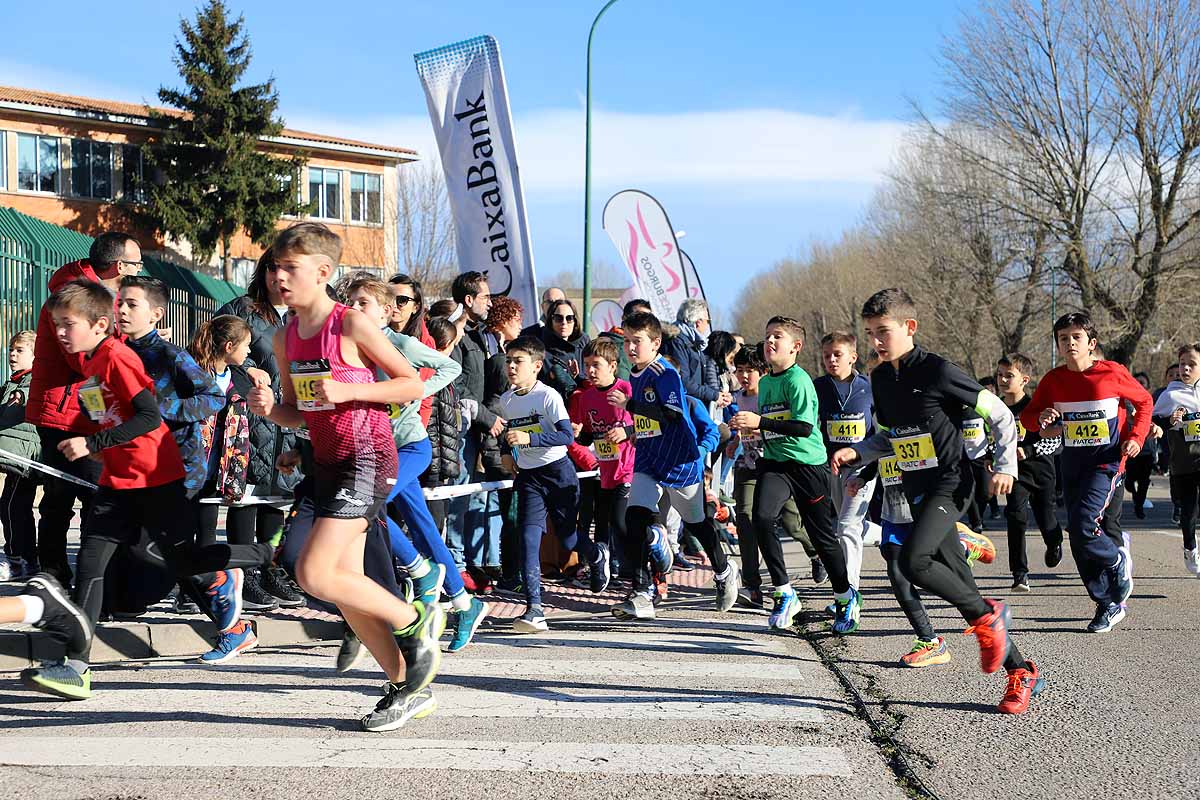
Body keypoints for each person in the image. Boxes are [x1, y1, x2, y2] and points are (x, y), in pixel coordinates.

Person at [21, 280, 274, 701]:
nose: (60, 333)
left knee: (178, 559)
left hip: (162, 476)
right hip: (119, 479)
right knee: (93, 564)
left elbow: (173, 408)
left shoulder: (141, 356)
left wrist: (103, 439)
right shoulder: (92, 363)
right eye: (56, 326)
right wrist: (100, 443)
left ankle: (268, 556)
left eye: (67, 324)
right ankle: (77, 667)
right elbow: (108, 415)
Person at [249, 222, 443, 732]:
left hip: (368, 457)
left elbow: (410, 385)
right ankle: (407, 686)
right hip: (327, 464)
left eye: (290, 268)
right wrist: (272, 410)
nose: (279, 276)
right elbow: (300, 411)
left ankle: (416, 619)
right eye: (275, 267)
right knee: (343, 586)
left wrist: (351, 392)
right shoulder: (284, 336)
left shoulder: (351, 325)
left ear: (323, 272)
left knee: (313, 572)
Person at [831, 288, 1042, 715]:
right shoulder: (880, 379)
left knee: (912, 563)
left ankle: (991, 612)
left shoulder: (939, 371)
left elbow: (999, 414)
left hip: (951, 484)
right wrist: (861, 455)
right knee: (962, 589)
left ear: (909, 328)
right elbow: (891, 437)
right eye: (870, 332)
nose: (875, 341)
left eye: (883, 331)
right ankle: (1021, 670)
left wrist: (1005, 466)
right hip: (917, 489)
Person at [345, 276, 490, 652]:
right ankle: (465, 603)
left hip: (410, 446)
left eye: (364, 304)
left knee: (369, 508)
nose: (355, 310)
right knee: (424, 527)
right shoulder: (352, 349)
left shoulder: (401, 344)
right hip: (379, 450)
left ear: (386, 312)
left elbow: (450, 369)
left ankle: (420, 573)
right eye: (352, 303)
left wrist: (413, 391)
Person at [1020, 311, 1151, 634]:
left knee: (1083, 524)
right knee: (1077, 537)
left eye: (1076, 337)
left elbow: (1145, 402)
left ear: (1091, 343)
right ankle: (1105, 602)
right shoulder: (1053, 380)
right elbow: (1028, 418)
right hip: (1072, 464)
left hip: (1107, 462)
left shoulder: (1112, 373)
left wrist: (1135, 439)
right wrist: (1043, 418)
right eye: (1063, 339)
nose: (1069, 344)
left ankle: (1116, 560)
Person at [26, 232, 142, 587]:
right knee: (71, 493)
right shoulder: (74, 297)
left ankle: (87, 577)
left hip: (90, 407)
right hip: (67, 412)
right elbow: (83, 359)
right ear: (121, 266)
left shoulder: (104, 296)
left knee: (93, 494)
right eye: (138, 262)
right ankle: (58, 573)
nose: (141, 269)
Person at [608, 311, 740, 621]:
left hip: (679, 460)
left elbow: (669, 414)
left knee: (695, 522)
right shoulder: (635, 375)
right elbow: (646, 422)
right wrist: (630, 431)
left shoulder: (665, 373)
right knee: (635, 518)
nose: (630, 348)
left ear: (655, 343)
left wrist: (630, 406)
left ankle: (723, 570)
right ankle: (641, 594)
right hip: (649, 458)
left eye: (636, 341)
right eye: (626, 341)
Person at [730, 317, 852, 633]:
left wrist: (760, 423)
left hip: (808, 466)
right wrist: (747, 428)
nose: (770, 341)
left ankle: (844, 595)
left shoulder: (798, 381)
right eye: (767, 335)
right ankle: (784, 592)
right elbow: (766, 425)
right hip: (775, 464)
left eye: (778, 337)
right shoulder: (766, 382)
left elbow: (803, 428)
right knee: (760, 517)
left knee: (823, 538)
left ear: (795, 347)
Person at [497, 336, 611, 632]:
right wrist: (507, 453)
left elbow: (566, 437)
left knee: (568, 539)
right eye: (508, 360)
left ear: (536, 366)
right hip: (529, 477)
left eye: (518, 361)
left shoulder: (548, 397)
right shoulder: (506, 400)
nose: (511, 366)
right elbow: (510, 430)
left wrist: (529, 439)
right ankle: (534, 608)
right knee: (528, 539)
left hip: (558, 473)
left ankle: (597, 554)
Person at [215, 250, 303, 607]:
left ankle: (268, 568)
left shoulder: (303, 317)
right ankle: (244, 573)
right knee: (246, 496)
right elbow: (218, 351)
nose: (279, 279)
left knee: (276, 496)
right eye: (273, 270)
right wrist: (250, 369)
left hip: (288, 418)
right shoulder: (241, 309)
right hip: (249, 418)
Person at [187, 314, 286, 615]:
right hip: (193, 465)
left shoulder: (234, 376)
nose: (248, 354)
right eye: (245, 347)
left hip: (221, 464)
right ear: (228, 346)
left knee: (206, 530)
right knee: (198, 530)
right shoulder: (194, 373)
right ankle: (190, 590)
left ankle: (205, 588)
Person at [728, 344, 818, 609]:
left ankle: (815, 553)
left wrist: (761, 428)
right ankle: (752, 586)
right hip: (748, 466)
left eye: (750, 371)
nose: (744, 376)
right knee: (745, 519)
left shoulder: (769, 392)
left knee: (792, 522)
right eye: (739, 370)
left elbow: (784, 426)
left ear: (762, 371)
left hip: (777, 465)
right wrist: (735, 440)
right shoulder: (738, 397)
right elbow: (741, 428)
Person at [448, 271, 505, 593]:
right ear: (468, 300)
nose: (490, 303)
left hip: (485, 427)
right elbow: (457, 386)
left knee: (481, 497)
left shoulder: (487, 336)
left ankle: (478, 562)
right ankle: (457, 564)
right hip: (464, 429)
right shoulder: (456, 335)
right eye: (485, 297)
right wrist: (485, 417)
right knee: (459, 495)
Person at [813, 331, 882, 598]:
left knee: (846, 527)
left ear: (852, 357)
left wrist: (868, 468)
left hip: (862, 468)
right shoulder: (818, 387)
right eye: (826, 356)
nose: (831, 360)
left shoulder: (869, 389)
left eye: (837, 355)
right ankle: (894, 534)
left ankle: (850, 593)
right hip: (832, 468)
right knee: (848, 526)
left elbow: (879, 434)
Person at [994, 353, 1064, 592]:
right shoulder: (996, 409)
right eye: (1000, 375)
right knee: (1015, 518)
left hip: (1042, 471)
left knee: (1046, 519)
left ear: (1024, 380)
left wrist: (1030, 450)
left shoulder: (1037, 408)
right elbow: (988, 437)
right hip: (1013, 474)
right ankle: (1019, 574)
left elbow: (1057, 442)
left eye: (1009, 376)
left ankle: (1055, 541)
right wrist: (987, 457)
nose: (1002, 380)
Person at [569, 338, 636, 581]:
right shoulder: (586, 398)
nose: (591, 371)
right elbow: (590, 435)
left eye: (596, 365)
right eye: (587, 365)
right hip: (604, 471)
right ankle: (605, 569)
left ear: (612, 365)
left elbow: (649, 424)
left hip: (629, 468)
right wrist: (579, 433)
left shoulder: (626, 390)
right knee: (603, 523)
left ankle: (638, 568)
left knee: (620, 522)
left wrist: (626, 432)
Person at [1152, 343, 1200, 576]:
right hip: (1183, 462)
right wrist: (1170, 421)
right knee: (1188, 510)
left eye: (1192, 364)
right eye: (1182, 364)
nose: (1186, 369)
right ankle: (1190, 547)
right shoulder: (1170, 394)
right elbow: (1152, 422)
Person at [0, 331, 40, 580]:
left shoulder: (30, 381)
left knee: (12, 507)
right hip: (16, 457)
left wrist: (20, 396)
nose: (12, 355)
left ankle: (17, 559)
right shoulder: (12, 382)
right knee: (15, 507)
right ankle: (28, 559)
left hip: (26, 458)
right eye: (12, 350)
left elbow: (29, 393)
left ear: (36, 356)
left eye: (20, 350)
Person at [661, 299, 721, 409]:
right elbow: (683, 381)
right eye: (708, 321)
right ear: (698, 322)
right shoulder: (677, 342)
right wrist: (714, 395)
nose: (708, 325)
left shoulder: (693, 343)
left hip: (693, 406)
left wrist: (717, 394)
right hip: (681, 408)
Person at [537, 298, 589, 400]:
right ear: (550, 321)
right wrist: (551, 377)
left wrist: (577, 378)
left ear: (575, 321)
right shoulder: (540, 350)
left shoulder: (584, 346)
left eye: (569, 318)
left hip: (581, 408)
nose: (564, 323)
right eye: (558, 318)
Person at [1126, 371, 1158, 518]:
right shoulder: (1126, 403)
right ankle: (1131, 489)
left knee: (1144, 481)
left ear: (1148, 386)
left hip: (1147, 450)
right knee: (1130, 479)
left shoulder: (1153, 402)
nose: (1139, 385)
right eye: (1136, 382)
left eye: (1143, 383)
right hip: (1131, 448)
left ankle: (1139, 506)